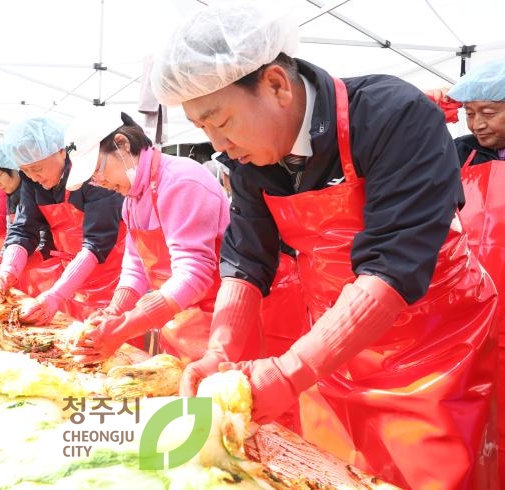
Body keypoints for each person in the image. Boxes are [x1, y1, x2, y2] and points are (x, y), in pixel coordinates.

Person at [150, 2, 497, 488]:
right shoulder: (251, 161)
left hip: (436, 350)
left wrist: (290, 373)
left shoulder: (393, 114)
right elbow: (246, 257)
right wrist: (221, 352)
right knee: (335, 472)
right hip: (332, 349)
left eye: (220, 121)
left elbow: (393, 264)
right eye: (203, 129)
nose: (218, 144)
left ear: (275, 83)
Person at [66, 110, 260, 364]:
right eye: (92, 180)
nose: (99, 182)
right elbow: (135, 267)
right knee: (178, 396)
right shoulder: (132, 200)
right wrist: (114, 312)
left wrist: (125, 327)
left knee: (216, 399)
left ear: (122, 144)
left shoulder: (182, 181)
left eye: (97, 171)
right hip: (178, 320)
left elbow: (194, 273)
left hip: (221, 323)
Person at [430, 59, 505, 479]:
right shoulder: (460, 153)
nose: (477, 123)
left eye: (489, 112)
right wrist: (428, 117)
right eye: (471, 112)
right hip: (470, 300)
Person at [0, 116, 126, 324]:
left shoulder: (92, 174)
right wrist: (8, 270)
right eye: (25, 171)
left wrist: (56, 295)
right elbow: (24, 229)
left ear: (61, 151)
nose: (33, 177)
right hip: (72, 279)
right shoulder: (32, 182)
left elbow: (97, 243)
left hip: (113, 280)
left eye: (37, 169)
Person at [0, 138, 56, 295]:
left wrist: (6, 267)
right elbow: (17, 232)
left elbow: (46, 241)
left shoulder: (34, 187)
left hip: (47, 269)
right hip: (23, 268)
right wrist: (1, 263)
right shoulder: (13, 193)